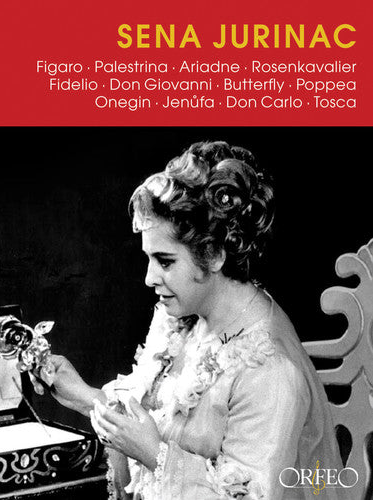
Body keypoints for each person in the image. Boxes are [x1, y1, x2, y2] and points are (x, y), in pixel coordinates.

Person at [30, 140, 345, 499]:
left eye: (165, 261)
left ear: (214, 254)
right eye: (149, 259)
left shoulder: (270, 370)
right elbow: (149, 421)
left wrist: (154, 455)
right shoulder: (184, 317)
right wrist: (85, 397)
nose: (149, 278)